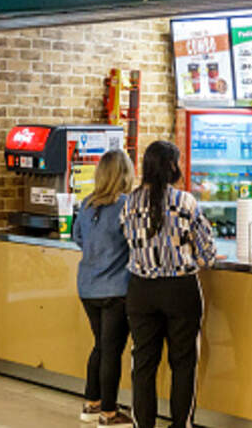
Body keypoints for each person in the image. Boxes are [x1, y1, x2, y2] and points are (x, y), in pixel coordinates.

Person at [121, 140, 217, 428]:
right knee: (183, 363)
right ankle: (180, 424)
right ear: (172, 166)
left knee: (143, 364)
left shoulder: (129, 203)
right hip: (180, 290)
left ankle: (143, 424)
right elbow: (207, 255)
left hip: (140, 290)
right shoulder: (185, 202)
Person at [72, 149, 134, 426]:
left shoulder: (87, 204)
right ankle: (109, 413)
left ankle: (91, 402)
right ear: (124, 174)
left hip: (88, 287)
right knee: (112, 350)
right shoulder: (126, 206)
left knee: (100, 345)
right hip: (116, 289)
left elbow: (77, 237)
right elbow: (137, 241)